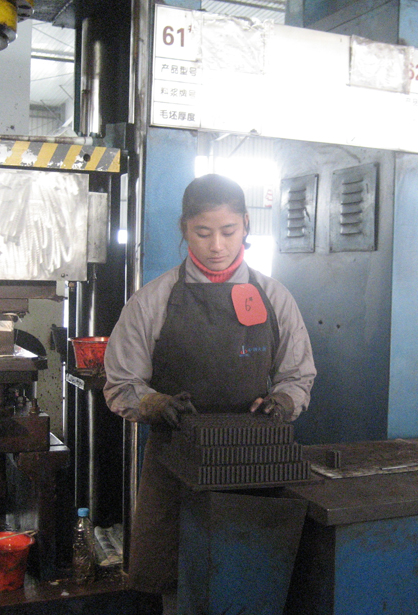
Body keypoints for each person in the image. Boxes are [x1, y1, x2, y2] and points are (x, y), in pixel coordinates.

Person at [103, 173, 315, 611]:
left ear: (246, 224)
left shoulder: (274, 298)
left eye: (228, 231)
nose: (217, 246)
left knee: (250, 577)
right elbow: (121, 384)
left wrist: (283, 401)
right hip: (174, 465)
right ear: (184, 228)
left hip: (253, 465)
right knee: (177, 581)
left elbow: (297, 374)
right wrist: (154, 403)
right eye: (202, 233)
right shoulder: (152, 301)